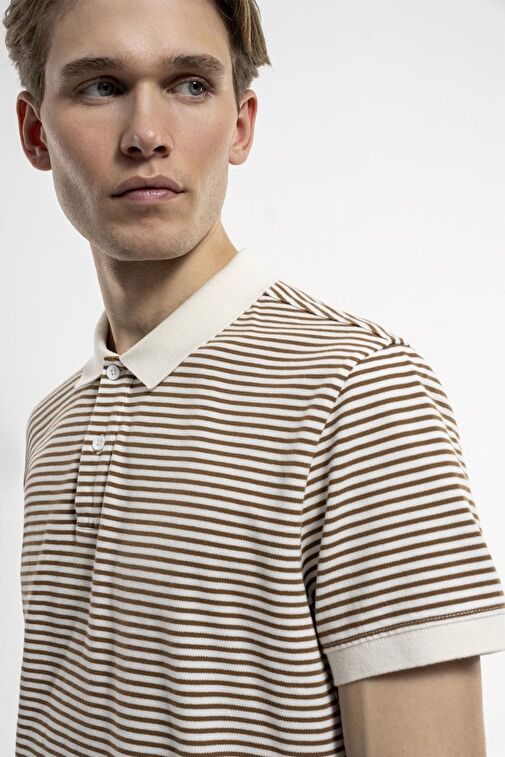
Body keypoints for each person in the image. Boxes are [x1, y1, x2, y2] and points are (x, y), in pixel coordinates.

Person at [4, 1, 505, 755]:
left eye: (190, 84)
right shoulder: (55, 421)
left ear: (240, 125)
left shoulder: (362, 396)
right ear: (36, 132)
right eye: (101, 86)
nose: (146, 135)